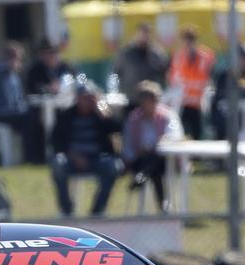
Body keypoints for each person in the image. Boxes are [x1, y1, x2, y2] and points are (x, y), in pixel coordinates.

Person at [49, 83, 121, 216]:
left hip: (97, 159)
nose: (86, 101)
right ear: (77, 98)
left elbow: (118, 128)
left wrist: (102, 110)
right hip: (71, 159)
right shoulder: (66, 116)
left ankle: (97, 211)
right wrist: (72, 155)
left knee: (113, 166)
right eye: (83, 97)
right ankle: (66, 210)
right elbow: (55, 142)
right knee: (58, 164)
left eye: (90, 98)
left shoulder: (99, 116)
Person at [123, 80, 181, 211]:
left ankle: (142, 176)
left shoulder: (167, 116)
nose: (148, 104)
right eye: (144, 100)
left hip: (165, 160)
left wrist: (155, 146)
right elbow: (127, 146)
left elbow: (174, 136)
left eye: (151, 100)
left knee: (155, 162)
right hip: (140, 160)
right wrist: (135, 154)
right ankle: (163, 206)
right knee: (153, 167)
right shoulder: (133, 119)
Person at [0, 42, 34, 160]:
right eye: (17, 58)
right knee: (29, 119)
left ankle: (33, 155)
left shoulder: (14, 76)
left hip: (12, 114)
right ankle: (29, 156)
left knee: (33, 116)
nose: (19, 62)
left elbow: (19, 100)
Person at [168, 26, 216, 139]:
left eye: (190, 40)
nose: (188, 44)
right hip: (182, 104)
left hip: (200, 105)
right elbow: (172, 80)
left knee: (199, 135)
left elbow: (211, 78)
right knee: (181, 134)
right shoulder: (178, 57)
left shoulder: (206, 57)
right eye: (185, 40)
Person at [112, 24, 169, 107]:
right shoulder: (126, 53)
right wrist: (118, 91)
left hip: (151, 101)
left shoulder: (157, 54)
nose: (144, 37)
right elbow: (116, 72)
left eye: (146, 35)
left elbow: (164, 74)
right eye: (142, 34)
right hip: (130, 97)